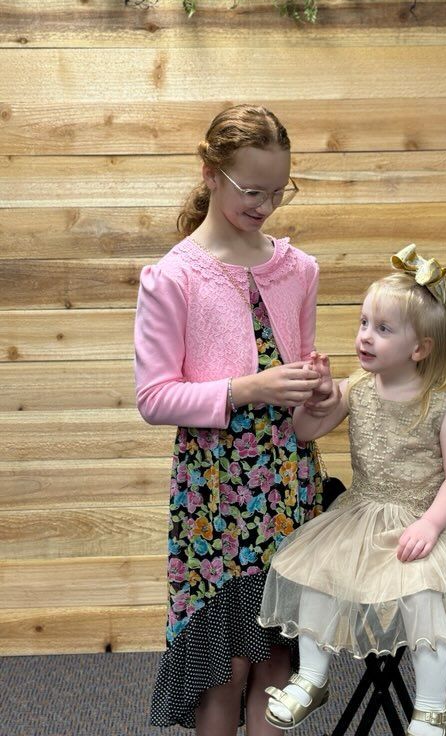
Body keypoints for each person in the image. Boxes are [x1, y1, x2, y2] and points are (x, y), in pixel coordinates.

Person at [134, 104, 338, 734]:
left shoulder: (297, 270)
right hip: (215, 493)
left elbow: (302, 407)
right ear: (210, 173)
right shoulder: (173, 277)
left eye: (279, 191)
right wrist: (248, 388)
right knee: (218, 665)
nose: (265, 206)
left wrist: (321, 398)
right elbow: (154, 398)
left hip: (285, 483)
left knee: (279, 655)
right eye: (252, 191)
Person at [259, 244, 446, 735]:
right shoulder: (357, 387)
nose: (365, 338)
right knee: (316, 571)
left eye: (383, 329)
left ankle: (431, 707)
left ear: (419, 348)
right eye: (363, 323)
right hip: (363, 512)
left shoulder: (441, 404)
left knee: (424, 595)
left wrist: (432, 523)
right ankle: (311, 678)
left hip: (423, 520)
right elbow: (307, 431)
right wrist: (317, 397)